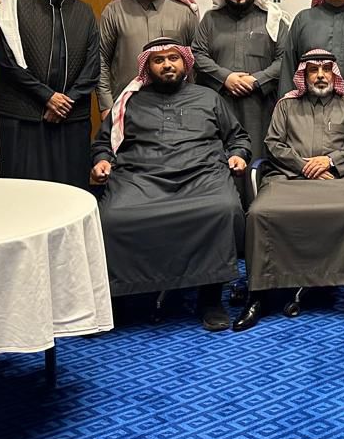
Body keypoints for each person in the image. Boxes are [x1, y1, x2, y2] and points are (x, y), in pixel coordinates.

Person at [91, 37, 250, 331]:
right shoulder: (129, 102)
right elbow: (103, 142)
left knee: (223, 208)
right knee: (111, 217)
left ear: (185, 63)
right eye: (159, 60)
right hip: (141, 177)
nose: (167, 65)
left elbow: (237, 137)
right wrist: (102, 160)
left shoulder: (208, 98)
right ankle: (119, 297)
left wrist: (238, 155)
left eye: (173, 58)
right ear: (148, 67)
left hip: (201, 175)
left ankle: (210, 298)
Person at [236, 50, 344, 331]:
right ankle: (258, 294)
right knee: (259, 213)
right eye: (313, 70)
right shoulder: (286, 106)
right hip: (288, 178)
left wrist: (330, 161)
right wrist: (304, 166)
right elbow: (273, 144)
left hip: (336, 179)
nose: (320, 75)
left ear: (335, 74)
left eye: (326, 70)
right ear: (304, 75)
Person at [0, 0, 100, 188]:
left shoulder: (85, 12)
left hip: (70, 114)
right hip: (24, 112)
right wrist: (48, 97)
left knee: (70, 188)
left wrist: (65, 101)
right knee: (24, 187)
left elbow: (92, 66)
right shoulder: (15, 6)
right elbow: (8, 62)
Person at [191, 0, 289, 161]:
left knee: (258, 158)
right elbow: (197, 54)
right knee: (220, 158)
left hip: (260, 105)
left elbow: (285, 59)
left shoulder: (274, 20)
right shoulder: (210, 20)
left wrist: (256, 80)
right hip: (219, 102)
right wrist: (226, 78)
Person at [97, 0, 199, 116]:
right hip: (128, 104)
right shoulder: (114, 11)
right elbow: (101, 58)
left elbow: (196, 60)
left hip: (177, 105)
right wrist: (106, 105)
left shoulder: (184, 12)